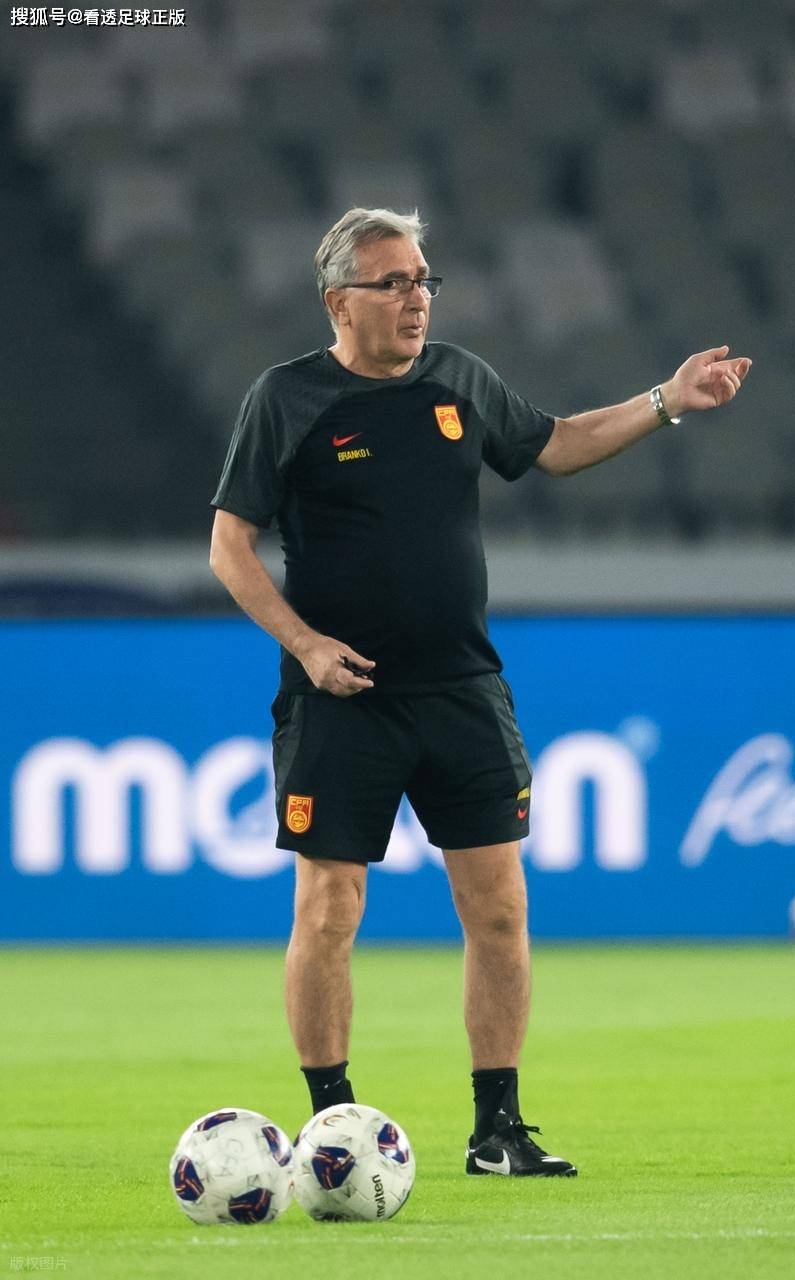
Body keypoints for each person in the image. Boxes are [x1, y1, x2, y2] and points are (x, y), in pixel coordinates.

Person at [209, 207, 751, 1178]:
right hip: (342, 697)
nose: (416, 297)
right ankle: (333, 1128)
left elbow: (557, 443)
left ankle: (497, 1130)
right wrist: (306, 644)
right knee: (328, 909)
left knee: (498, 910)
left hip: (462, 690)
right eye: (393, 282)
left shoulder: (459, 378)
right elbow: (228, 546)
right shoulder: (287, 398)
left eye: (423, 280)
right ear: (338, 301)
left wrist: (665, 400)